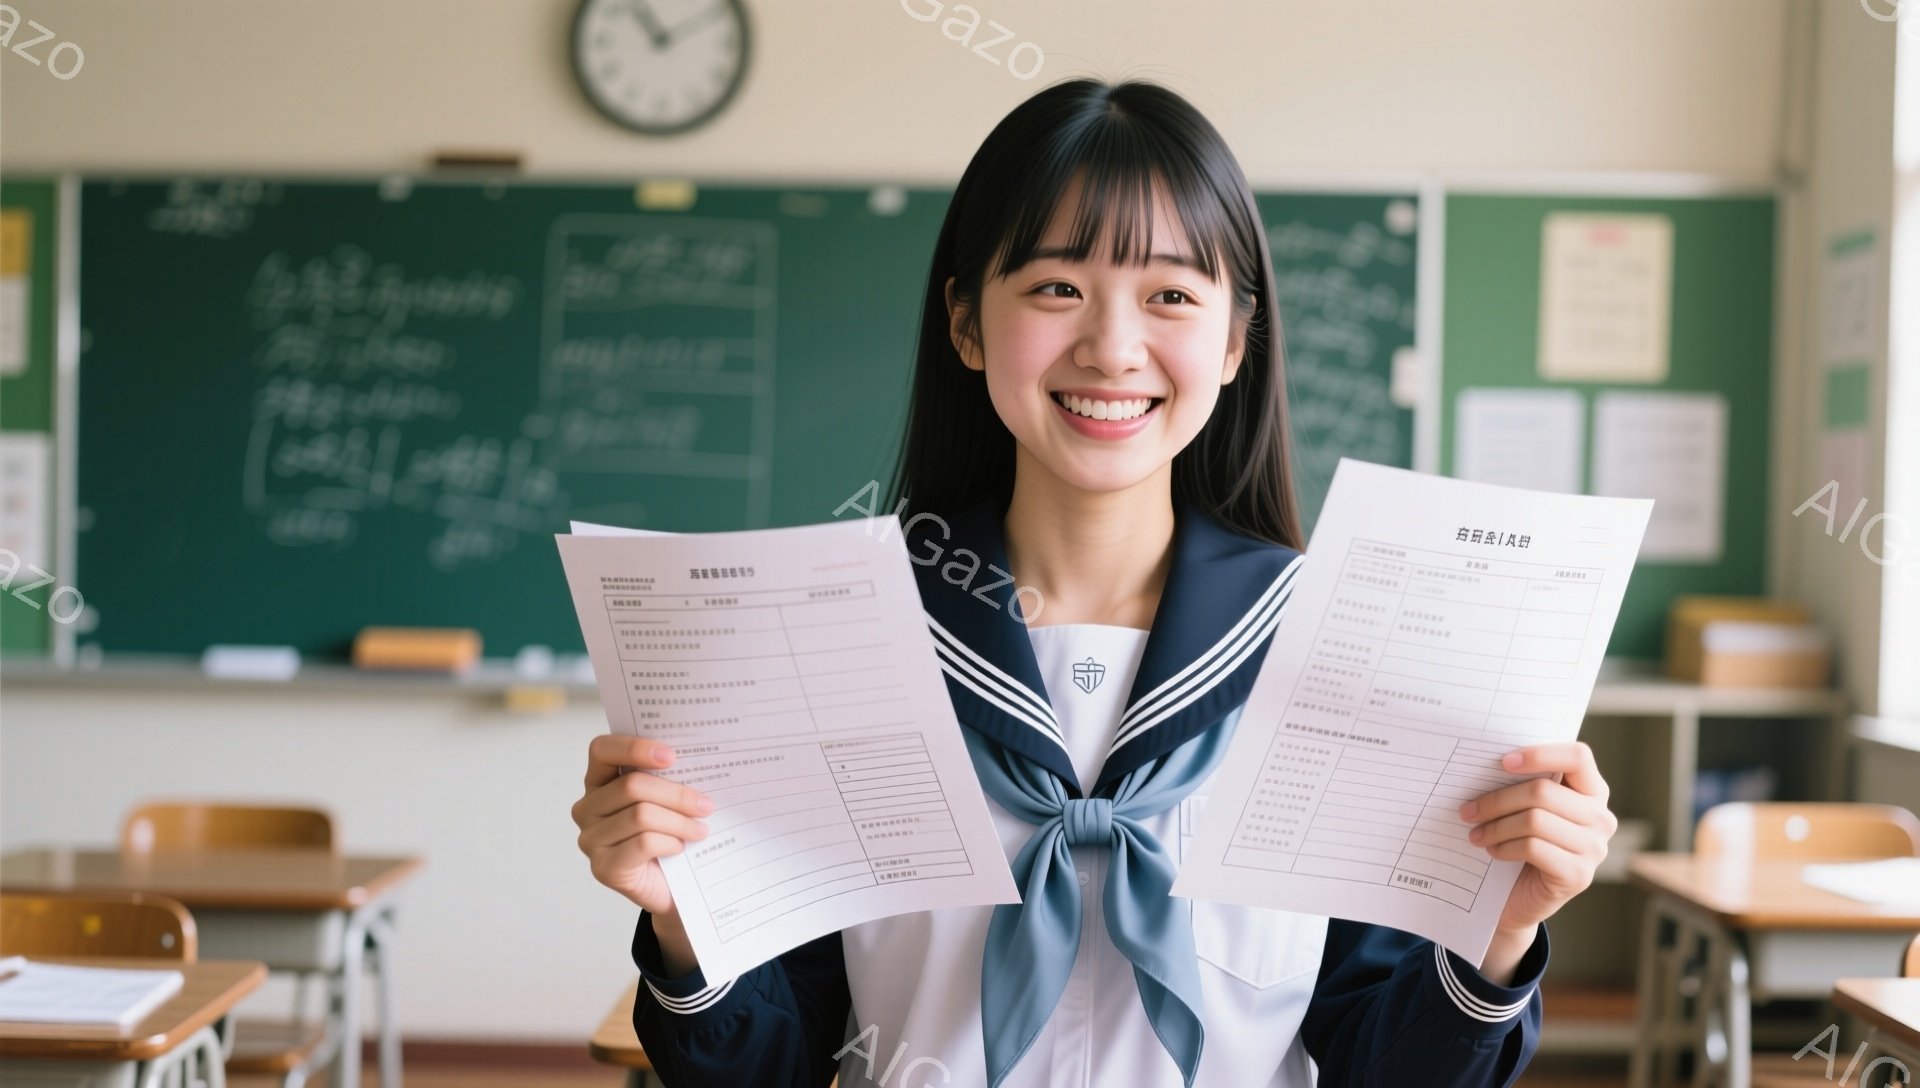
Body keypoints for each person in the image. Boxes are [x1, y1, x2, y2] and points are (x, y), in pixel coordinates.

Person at [571, 77, 1617, 1087]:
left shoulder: (1337, 645)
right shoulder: (839, 639)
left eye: (1170, 293)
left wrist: (1501, 925)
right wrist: (681, 912)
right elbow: (770, 1063)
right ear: (969, 322)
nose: (1113, 347)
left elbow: (1389, 1067)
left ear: (1236, 339)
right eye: (1057, 287)